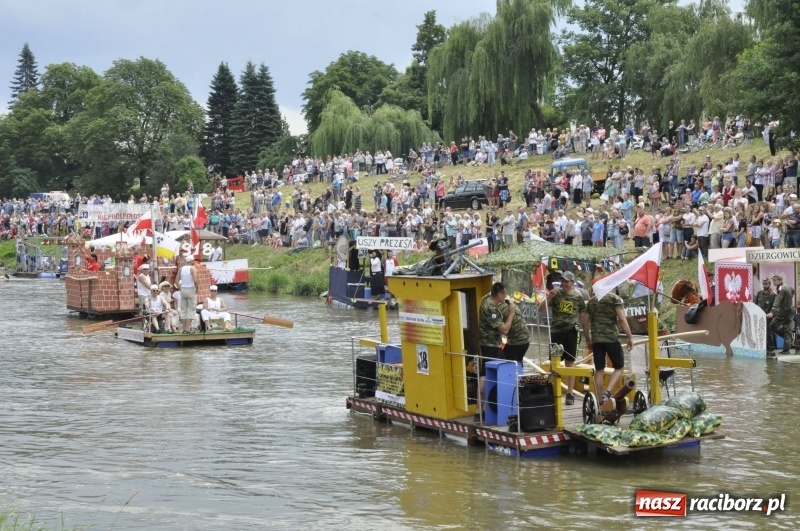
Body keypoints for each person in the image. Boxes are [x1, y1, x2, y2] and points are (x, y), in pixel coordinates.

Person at [539, 271, 591, 405]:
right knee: (553, 363)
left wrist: (587, 336)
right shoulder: (556, 294)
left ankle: (569, 393)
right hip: (556, 332)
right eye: (562, 281)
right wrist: (549, 297)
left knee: (570, 362)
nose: (564, 284)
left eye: (567, 281)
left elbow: (583, 317)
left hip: (571, 333)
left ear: (573, 282)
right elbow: (540, 309)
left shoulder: (578, 297)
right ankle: (550, 390)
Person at [587, 285, 634, 405]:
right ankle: (607, 392)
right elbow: (622, 319)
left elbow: (585, 321)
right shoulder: (614, 299)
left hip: (597, 339)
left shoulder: (592, 301)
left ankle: (599, 401)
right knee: (619, 367)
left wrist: (588, 339)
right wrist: (629, 337)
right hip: (611, 338)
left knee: (599, 369)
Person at [478, 282, 517, 421]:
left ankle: (483, 409)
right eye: (504, 294)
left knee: (485, 374)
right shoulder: (491, 310)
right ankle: (481, 410)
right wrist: (511, 314)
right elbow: (505, 330)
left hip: (489, 344)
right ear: (499, 295)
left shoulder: (485, 299)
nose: (505, 297)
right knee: (486, 376)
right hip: (491, 345)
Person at [767, 274, 794, 354]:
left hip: (783, 312)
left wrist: (772, 312)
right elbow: (793, 291)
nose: (773, 282)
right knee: (787, 329)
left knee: (771, 327)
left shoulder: (781, 288)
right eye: (773, 280)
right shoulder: (787, 286)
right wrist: (786, 299)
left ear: (779, 280)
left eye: (775, 280)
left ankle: (771, 348)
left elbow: (777, 301)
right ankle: (786, 349)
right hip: (790, 311)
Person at [176, 255, 198, 333]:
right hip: (191, 289)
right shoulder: (193, 269)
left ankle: (184, 328)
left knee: (184, 310)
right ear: (191, 261)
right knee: (191, 309)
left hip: (183, 289)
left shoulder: (181, 269)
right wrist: (197, 290)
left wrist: (180, 288)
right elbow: (195, 281)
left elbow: (176, 281)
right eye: (193, 260)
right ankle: (187, 328)